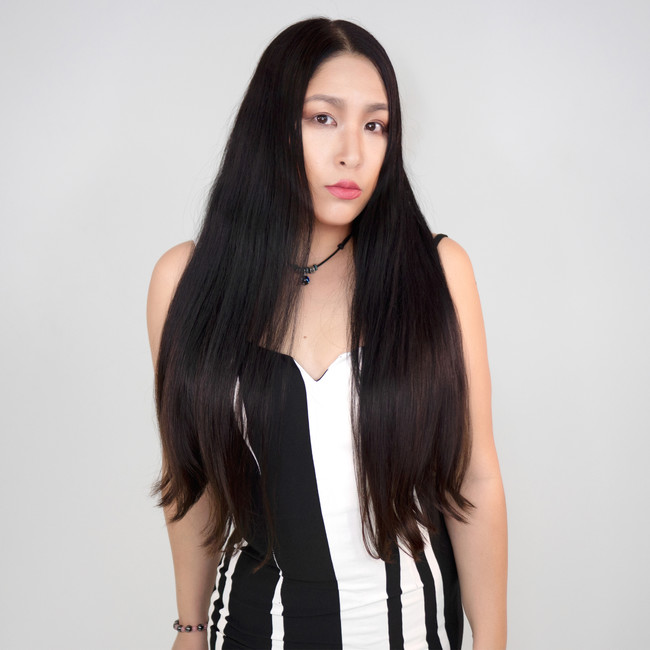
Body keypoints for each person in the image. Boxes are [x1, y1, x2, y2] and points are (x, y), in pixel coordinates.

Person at [146, 17, 507, 650]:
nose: (352, 153)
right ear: (271, 127)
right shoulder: (186, 282)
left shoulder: (437, 272)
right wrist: (190, 629)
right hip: (251, 631)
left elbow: (473, 479)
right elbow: (192, 481)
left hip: (412, 633)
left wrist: (493, 641)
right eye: (323, 118)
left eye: (375, 126)